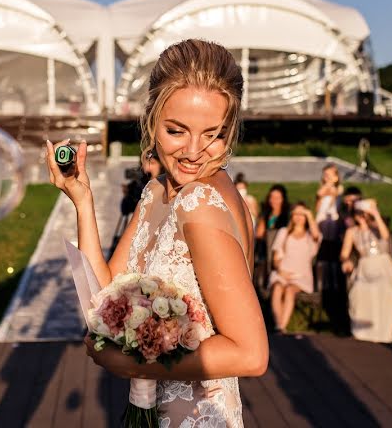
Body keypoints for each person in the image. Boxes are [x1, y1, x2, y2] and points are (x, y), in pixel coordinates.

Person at [46, 39, 267, 427]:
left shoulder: (201, 201)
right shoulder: (156, 192)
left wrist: (128, 360)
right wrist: (82, 200)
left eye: (213, 134)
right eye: (177, 130)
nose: (194, 151)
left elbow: (250, 354)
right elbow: (107, 291)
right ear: (151, 120)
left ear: (230, 130)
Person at [340, 199, 392, 343]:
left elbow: (386, 237)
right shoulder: (352, 232)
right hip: (365, 265)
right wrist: (346, 261)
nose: (360, 217)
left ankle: (382, 331)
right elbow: (344, 252)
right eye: (357, 214)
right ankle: (362, 331)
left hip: (382, 265)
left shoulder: (376, 228)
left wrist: (375, 214)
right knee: (360, 289)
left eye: (362, 214)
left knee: (383, 287)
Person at [269, 203, 322, 333]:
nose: (298, 217)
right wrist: (280, 271)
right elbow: (276, 257)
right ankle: (279, 325)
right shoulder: (284, 232)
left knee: (290, 290)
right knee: (277, 288)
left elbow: (317, 236)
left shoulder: (310, 236)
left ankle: (282, 325)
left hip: (301, 275)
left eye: (302, 214)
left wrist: (309, 215)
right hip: (283, 272)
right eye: (296, 214)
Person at [316, 185, 361, 334]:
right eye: (348, 201)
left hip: (361, 255)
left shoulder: (364, 215)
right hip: (345, 253)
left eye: (354, 201)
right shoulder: (343, 214)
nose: (351, 204)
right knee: (340, 282)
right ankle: (342, 321)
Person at [255, 184, 289, 291]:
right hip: (267, 246)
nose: (273, 200)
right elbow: (259, 234)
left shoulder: (287, 215)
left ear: (283, 199)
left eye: (277, 198)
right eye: (271, 197)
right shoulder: (267, 214)